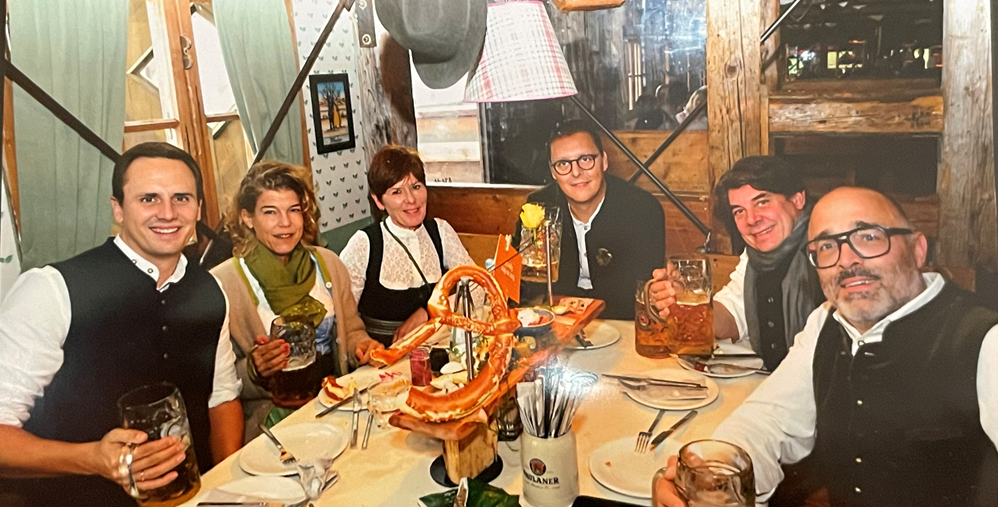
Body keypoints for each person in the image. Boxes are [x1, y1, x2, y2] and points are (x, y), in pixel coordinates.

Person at [654, 187, 998, 507]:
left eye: (868, 237)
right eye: (827, 246)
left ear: (918, 249)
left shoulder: (985, 339)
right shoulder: (826, 322)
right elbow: (769, 420)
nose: (846, 260)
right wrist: (711, 471)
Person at [0, 142, 244, 506]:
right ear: (118, 209)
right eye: (148, 199)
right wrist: (91, 459)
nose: (167, 213)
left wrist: (227, 487)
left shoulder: (211, 289)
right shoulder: (51, 290)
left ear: (198, 208)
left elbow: (221, 398)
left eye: (181, 198)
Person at [211, 161, 382, 438]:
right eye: (270, 212)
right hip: (273, 423)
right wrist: (255, 368)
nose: (286, 223)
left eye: (294, 210)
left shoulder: (329, 264)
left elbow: (351, 331)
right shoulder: (223, 284)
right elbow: (217, 384)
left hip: (336, 405)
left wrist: (362, 347)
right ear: (247, 217)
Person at [648, 157, 824, 370]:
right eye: (739, 211)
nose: (752, 219)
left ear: (797, 200)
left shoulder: (827, 252)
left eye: (762, 202)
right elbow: (732, 314)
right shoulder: (754, 256)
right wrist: (685, 302)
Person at [514, 119, 665, 319]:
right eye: (563, 164)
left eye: (585, 159)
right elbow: (522, 288)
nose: (576, 172)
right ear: (553, 172)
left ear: (604, 161)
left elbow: (646, 293)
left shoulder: (642, 209)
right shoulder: (538, 209)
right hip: (557, 325)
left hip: (624, 326)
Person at [339, 145, 480, 346]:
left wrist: (429, 311)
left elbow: (478, 286)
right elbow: (343, 318)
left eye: (416, 186)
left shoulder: (440, 231)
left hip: (438, 352)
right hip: (382, 360)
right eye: (397, 191)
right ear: (379, 201)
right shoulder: (364, 244)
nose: (411, 199)